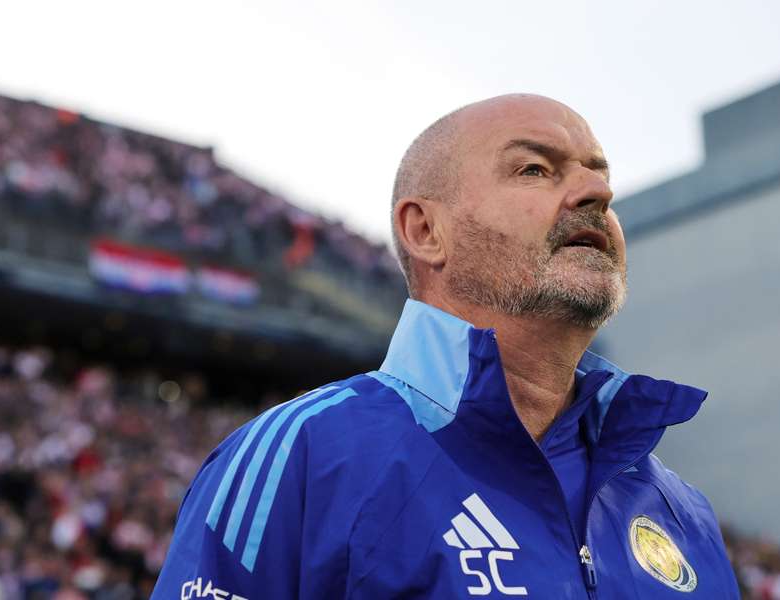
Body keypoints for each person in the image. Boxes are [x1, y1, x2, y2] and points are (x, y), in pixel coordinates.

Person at [152, 94, 740, 599]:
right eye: (536, 169)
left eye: (600, 177)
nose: (596, 193)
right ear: (426, 231)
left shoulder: (682, 511)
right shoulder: (303, 454)